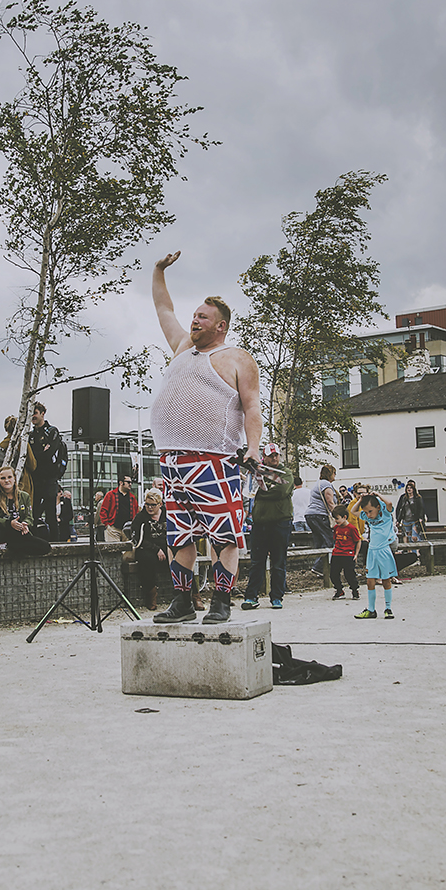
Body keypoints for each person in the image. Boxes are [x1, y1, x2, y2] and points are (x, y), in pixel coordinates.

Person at [148, 251, 262, 624]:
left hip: (213, 458)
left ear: (220, 327)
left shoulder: (237, 358)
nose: (194, 320)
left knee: (223, 533)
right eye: (194, 315)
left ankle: (221, 601)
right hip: (172, 461)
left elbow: (252, 408)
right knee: (178, 533)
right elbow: (164, 309)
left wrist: (255, 449)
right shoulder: (183, 347)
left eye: (202, 317)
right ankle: (182, 600)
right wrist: (158, 270)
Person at [240, 443, 294, 611]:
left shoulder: (286, 473)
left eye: (276, 455)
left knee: (279, 562)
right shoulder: (257, 472)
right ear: (264, 456)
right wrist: (266, 487)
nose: (274, 458)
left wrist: (262, 489)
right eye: (270, 456)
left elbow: (281, 491)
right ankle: (251, 596)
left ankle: (277, 596)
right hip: (260, 523)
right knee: (257, 562)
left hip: (281, 522)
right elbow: (249, 491)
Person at [0, 464, 50, 559]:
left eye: (9, 477)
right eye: (3, 478)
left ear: (14, 478)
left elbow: (29, 517)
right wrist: (9, 523)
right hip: (1, 529)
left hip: (18, 530)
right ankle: (12, 545)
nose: (6, 480)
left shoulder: (24, 496)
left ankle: (13, 546)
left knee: (45, 547)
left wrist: (25, 524)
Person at [349, 492, 397, 620]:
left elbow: (390, 503)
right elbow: (353, 511)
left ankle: (388, 609)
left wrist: (377, 494)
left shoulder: (385, 514)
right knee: (370, 581)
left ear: (377, 507)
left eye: (370, 511)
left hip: (383, 550)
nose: (368, 514)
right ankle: (371, 610)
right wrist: (361, 499)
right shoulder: (367, 517)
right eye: (366, 512)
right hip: (372, 551)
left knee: (386, 580)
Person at [28, 402, 67, 540]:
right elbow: (30, 456)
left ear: (42, 413)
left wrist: (38, 454)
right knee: (34, 513)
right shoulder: (31, 435)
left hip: (50, 478)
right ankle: (34, 541)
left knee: (51, 513)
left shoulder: (52, 431)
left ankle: (55, 543)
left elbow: (49, 453)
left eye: (35, 413)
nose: (32, 416)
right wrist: (40, 453)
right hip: (36, 478)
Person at [130, 488, 169, 611]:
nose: (150, 508)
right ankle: (151, 595)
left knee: (182, 559)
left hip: (166, 546)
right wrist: (156, 549)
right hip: (148, 547)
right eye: (147, 504)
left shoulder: (167, 515)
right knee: (146, 560)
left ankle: (194, 595)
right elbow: (137, 537)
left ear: (160, 504)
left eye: (153, 505)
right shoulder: (141, 517)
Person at [305, 465, 339, 575]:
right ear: (330, 473)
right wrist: (338, 516)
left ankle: (322, 567)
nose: (335, 475)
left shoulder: (318, 483)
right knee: (329, 540)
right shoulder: (326, 484)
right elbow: (330, 503)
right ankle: (319, 567)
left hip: (311, 515)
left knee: (320, 541)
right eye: (334, 473)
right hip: (319, 515)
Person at [328, 504, 361, 601]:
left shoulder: (351, 528)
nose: (336, 521)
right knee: (333, 574)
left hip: (348, 554)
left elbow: (358, 540)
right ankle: (339, 590)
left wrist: (356, 554)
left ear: (344, 517)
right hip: (337, 553)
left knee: (349, 574)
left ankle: (355, 590)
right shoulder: (336, 528)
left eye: (337, 518)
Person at [99, 474, 140, 544]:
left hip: (128, 530)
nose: (130, 484)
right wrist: (107, 525)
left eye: (131, 482)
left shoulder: (132, 498)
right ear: (121, 483)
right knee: (114, 551)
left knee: (128, 552)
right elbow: (103, 511)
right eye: (128, 482)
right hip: (113, 529)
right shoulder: (110, 495)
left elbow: (136, 512)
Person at [394, 481, 426, 547]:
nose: (409, 489)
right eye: (408, 488)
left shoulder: (417, 498)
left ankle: (417, 553)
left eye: (411, 488)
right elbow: (400, 509)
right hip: (406, 520)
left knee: (414, 537)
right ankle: (411, 553)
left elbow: (421, 508)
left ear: (413, 489)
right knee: (407, 538)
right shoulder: (403, 498)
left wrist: (420, 517)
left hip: (414, 520)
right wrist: (398, 520)